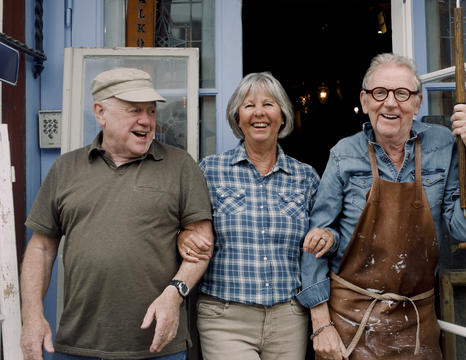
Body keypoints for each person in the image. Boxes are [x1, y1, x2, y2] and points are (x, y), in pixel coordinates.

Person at [297, 53, 466, 359]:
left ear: (418, 102)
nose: (390, 103)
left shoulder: (442, 146)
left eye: (402, 94)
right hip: (349, 318)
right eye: (379, 93)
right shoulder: (344, 154)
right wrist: (321, 324)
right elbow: (316, 239)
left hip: (417, 320)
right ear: (365, 99)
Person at [20, 68, 214, 360]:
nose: (147, 120)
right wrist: (32, 316)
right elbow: (42, 248)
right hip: (78, 344)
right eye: (134, 110)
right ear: (101, 113)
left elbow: (201, 242)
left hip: (157, 346)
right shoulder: (65, 168)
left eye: (151, 111)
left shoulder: (180, 165)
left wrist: (175, 294)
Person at [177, 72, 324, 360]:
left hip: (288, 316)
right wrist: (182, 235)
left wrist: (328, 235)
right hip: (224, 316)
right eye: (249, 105)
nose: (259, 113)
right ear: (237, 118)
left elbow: (324, 236)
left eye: (269, 104)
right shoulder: (209, 171)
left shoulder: (305, 176)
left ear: (282, 116)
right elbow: (184, 223)